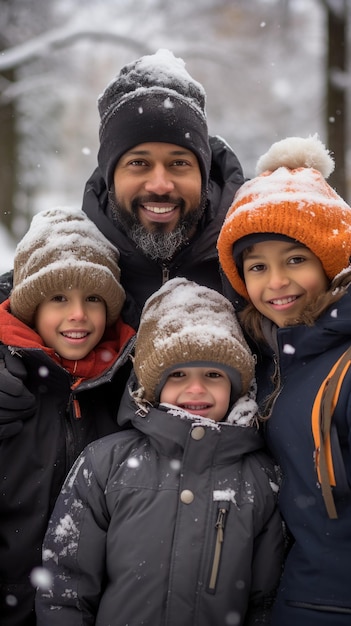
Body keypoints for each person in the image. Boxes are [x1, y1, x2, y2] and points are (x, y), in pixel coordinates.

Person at [35, 277, 284, 626]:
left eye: (214, 374)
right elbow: (65, 586)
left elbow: (265, 599)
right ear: (153, 385)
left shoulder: (260, 477)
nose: (196, 388)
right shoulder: (104, 463)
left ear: (236, 385)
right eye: (178, 374)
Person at [0, 48, 245, 317]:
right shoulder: (59, 271)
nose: (160, 185)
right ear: (110, 177)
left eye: (179, 163)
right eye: (139, 163)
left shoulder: (256, 262)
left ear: (204, 175)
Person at [217, 134, 351, 625]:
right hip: (293, 598)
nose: (275, 282)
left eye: (295, 259)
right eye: (257, 266)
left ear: (331, 261)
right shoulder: (268, 358)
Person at [0, 206, 136, 626]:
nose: (78, 314)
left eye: (93, 298)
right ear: (30, 309)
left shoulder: (127, 388)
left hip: (92, 607)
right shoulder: (10, 388)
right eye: (59, 298)